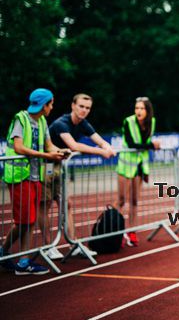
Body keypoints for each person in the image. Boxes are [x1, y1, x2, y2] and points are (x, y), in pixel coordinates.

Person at [42, 93, 117, 259]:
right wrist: (101, 152)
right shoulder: (62, 123)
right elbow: (74, 146)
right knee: (45, 206)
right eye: (81, 106)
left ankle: (73, 243)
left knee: (66, 204)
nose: (84, 110)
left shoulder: (83, 123)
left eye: (88, 108)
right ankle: (48, 247)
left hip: (59, 166)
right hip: (46, 165)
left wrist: (107, 146)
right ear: (73, 106)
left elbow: (98, 139)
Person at [1, 89, 67, 275]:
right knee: (24, 221)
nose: (52, 107)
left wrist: (60, 151)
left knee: (28, 221)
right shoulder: (20, 119)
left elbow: (49, 145)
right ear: (44, 104)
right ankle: (12, 256)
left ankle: (19, 258)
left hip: (34, 175)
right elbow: (19, 147)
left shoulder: (43, 121)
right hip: (19, 175)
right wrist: (47, 155)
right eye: (51, 103)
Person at [116, 97, 160, 246]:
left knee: (134, 200)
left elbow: (146, 143)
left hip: (140, 166)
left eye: (142, 108)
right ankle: (116, 232)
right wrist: (152, 146)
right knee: (121, 200)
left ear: (148, 111)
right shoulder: (128, 121)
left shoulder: (151, 122)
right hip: (126, 166)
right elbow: (131, 144)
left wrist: (151, 145)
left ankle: (132, 231)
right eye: (136, 108)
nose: (138, 111)